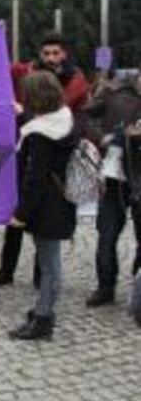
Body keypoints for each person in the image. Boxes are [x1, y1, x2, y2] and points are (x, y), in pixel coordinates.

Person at [0, 35, 90, 289]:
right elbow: (2, 67)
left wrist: (25, 114)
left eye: (56, 53)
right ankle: (6, 269)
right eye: (47, 53)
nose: (51, 58)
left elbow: (57, 118)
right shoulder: (30, 70)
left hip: (52, 155)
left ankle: (42, 275)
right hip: (24, 149)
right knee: (16, 213)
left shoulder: (75, 81)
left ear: (64, 54)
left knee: (43, 217)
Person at [7, 71, 78, 341]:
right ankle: (41, 310)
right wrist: (22, 113)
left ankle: (43, 320)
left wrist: (21, 215)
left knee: (49, 267)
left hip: (46, 206)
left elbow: (34, 179)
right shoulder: (64, 119)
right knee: (49, 263)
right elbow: (42, 122)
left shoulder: (39, 136)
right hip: (60, 202)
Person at [82, 72, 141, 307]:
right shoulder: (116, 95)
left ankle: (137, 293)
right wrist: (103, 138)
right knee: (106, 237)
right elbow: (87, 117)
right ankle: (105, 288)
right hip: (113, 178)